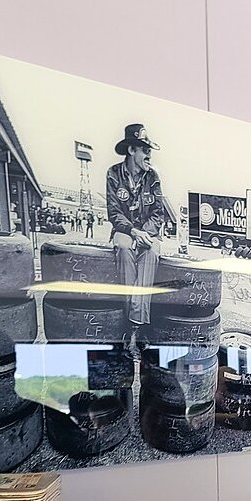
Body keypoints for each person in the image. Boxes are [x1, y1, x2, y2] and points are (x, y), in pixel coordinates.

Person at [106, 123, 165, 341]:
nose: (149, 155)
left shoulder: (154, 177)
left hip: (147, 233)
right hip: (124, 231)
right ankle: (134, 323)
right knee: (122, 247)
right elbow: (113, 212)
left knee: (152, 251)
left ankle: (134, 325)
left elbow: (159, 214)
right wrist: (132, 232)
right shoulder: (113, 174)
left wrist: (143, 234)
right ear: (132, 150)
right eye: (145, 150)